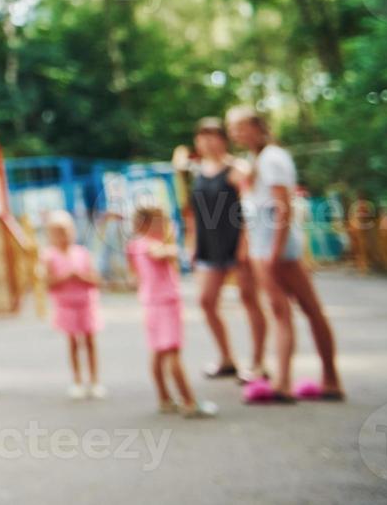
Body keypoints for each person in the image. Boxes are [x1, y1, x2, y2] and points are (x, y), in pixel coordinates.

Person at [226, 106, 344, 404]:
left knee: (291, 310)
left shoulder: (272, 158)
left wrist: (273, 253)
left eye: (240, 126)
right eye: (231, 128)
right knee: (302, 308)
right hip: (265, 242)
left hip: (274, 244)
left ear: (257, 126)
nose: (234, 133)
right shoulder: (259, 159)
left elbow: (283, 207)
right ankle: (323, 380)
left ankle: (284, 382)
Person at [171, 117, 267, 383]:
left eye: (213, 135)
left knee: (250, 301)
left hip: (237, 245)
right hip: (208, 246)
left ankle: (259, 363)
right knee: (206, 301)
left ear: (223, 139)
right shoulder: (198, 171)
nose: (207, 141)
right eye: (202, 136)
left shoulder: (237, 169)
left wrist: (245, 244)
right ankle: (227, 358)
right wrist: (191, 243)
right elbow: (193, 213)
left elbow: (250, 208)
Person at [127, 205, 217, 418]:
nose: (164, 227)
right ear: (145, 225)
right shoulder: (152, 245)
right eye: (160, 222)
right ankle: (189, 401)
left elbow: (133, 277)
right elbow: (162, 254)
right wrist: (173, 246)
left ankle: (165, 398)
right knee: (172, 352)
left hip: (151, 304)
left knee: (158, 352)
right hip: (165, 304)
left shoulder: (134, 246)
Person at [41, 211, 104, 400]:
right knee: (73, 343)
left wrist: (80, 277)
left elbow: (95, 279)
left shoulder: (82, 253)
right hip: (66, 306)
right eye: (58, 232)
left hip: (85, 303)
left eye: (66, 231)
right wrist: (66, 277)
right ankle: (77, 380)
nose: (64, 236)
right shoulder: (49, 256)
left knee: (90, 342)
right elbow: (47, 283)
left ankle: (94, 381)